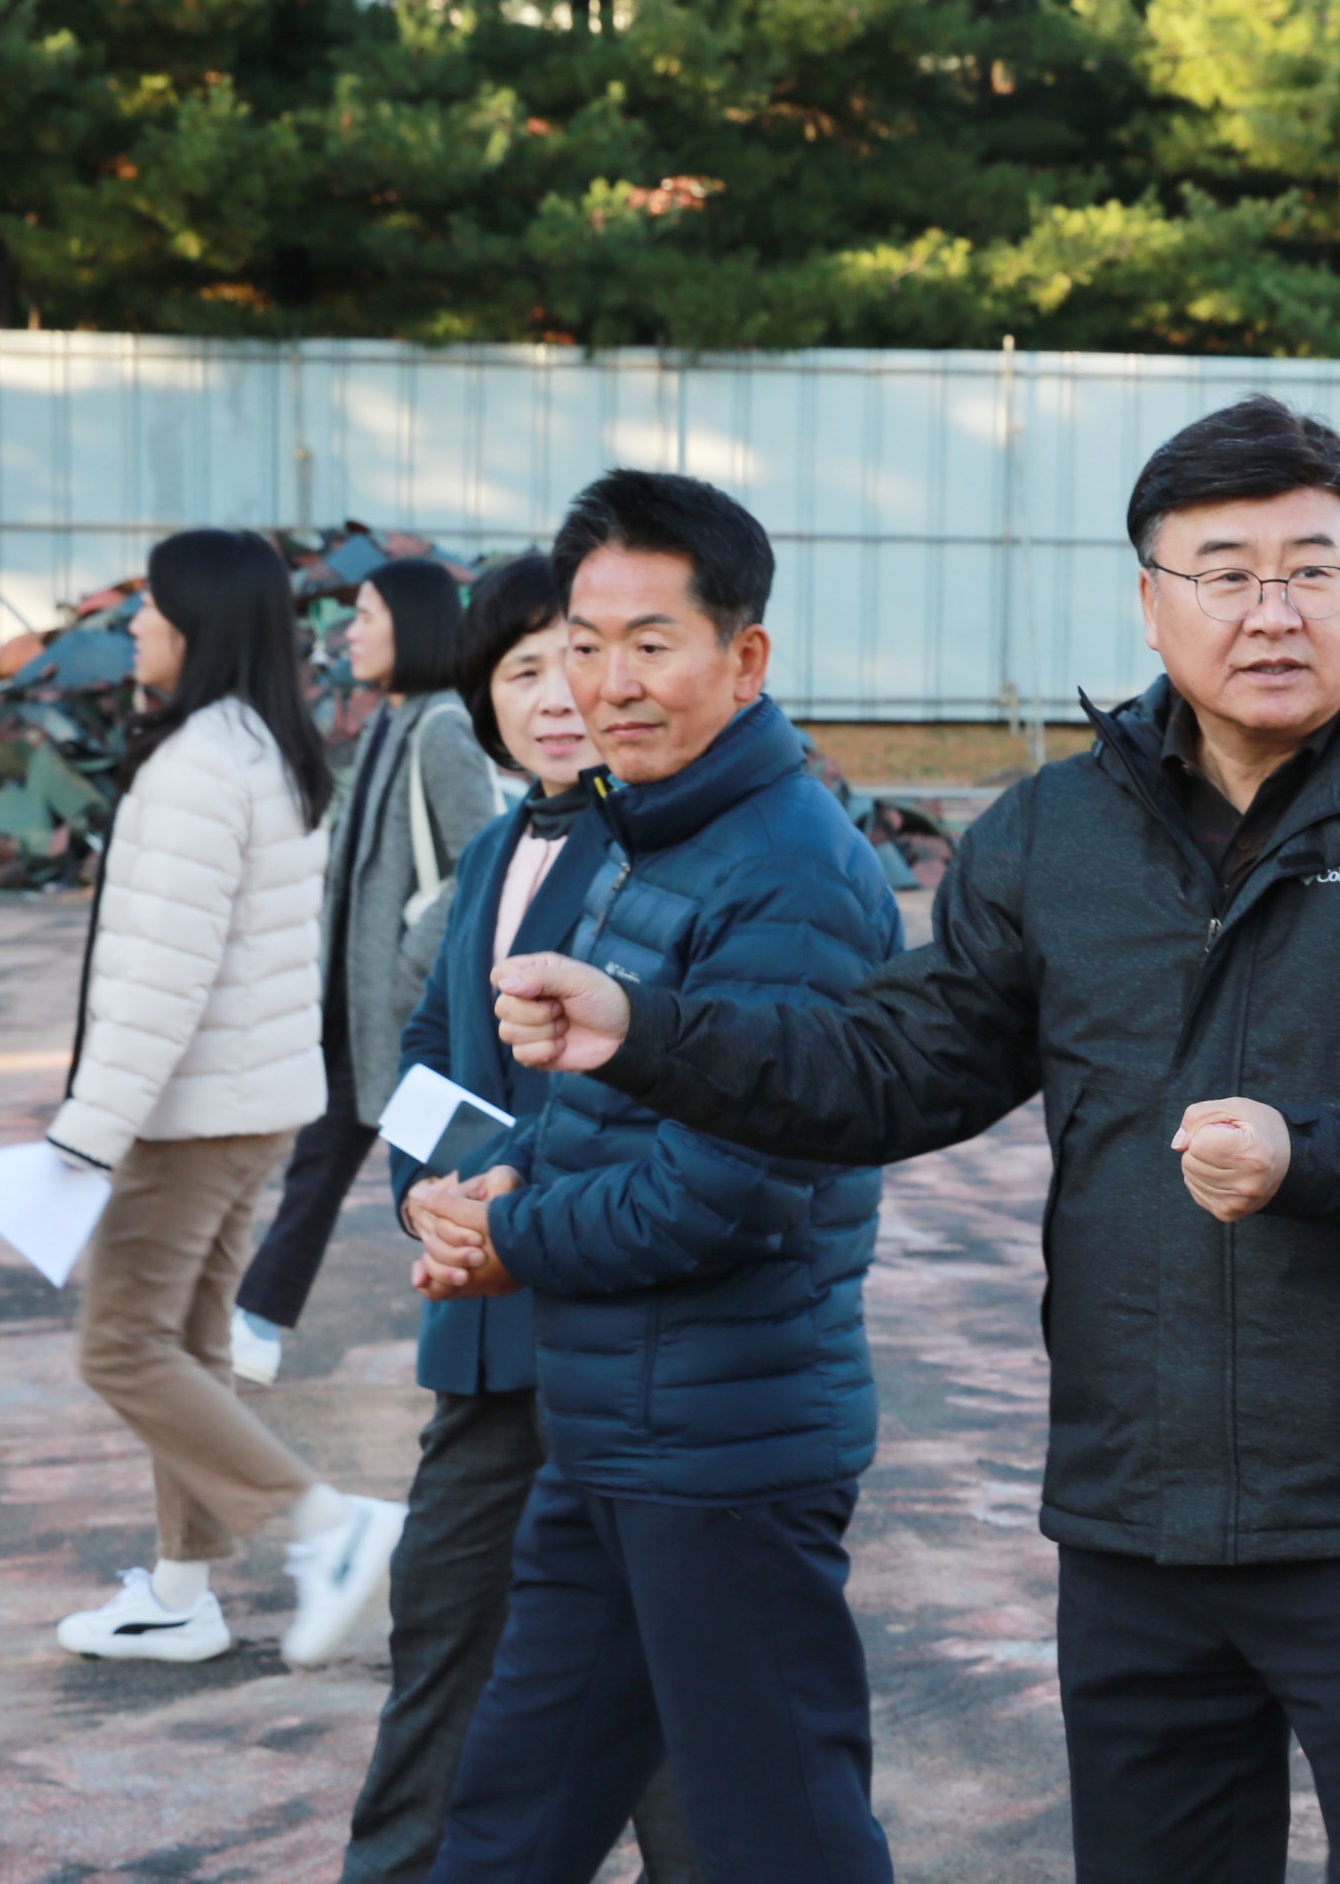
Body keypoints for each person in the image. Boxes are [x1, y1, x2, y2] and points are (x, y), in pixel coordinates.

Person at [490, 394, 1340, 1884]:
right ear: (1150, 603)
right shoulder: (1055, 833)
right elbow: (891, 1067)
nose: (1272, 610)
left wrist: (1316, 1148)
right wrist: (648, 1030)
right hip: (1133, 1505)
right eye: (1224, 571)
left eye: (1313, 568)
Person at [410, 470, 903, 1884]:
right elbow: (597, 1120)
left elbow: (726, 1189)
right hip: (612, 1430)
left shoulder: (790, 873)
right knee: (510, 1818)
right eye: (584, 638)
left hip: (728, 1452)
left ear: (743, 659)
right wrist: (491, 1189)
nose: (605, 680)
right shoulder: (642, 834)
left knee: (779, 1838)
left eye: (650, 642)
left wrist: (513, 1242)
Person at [338, 554, 695, 1884]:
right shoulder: (500, 844)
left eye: (577, 661)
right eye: (519, 670)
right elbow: (427, 1058)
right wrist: (430, 1198)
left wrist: (508, 1198)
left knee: (661, 1689)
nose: (555, 697)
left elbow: (673, 1087)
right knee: (443, 1640)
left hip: (618, 1327)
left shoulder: (666, 843)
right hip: (485, 1341)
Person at [48, 528, 407, 1667]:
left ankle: (326, 1529)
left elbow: (164, 979)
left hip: (190, 1111)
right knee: (192, 1346)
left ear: (196, 627)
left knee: (120, 1347)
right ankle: (180, 1590)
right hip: (250, 1102)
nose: (136, 628)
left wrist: (84, 1141)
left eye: (150, 610)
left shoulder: (203, 764)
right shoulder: (264, 746)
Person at [231, 556, 500, 1385]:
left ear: (412, 626)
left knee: (447, 1160)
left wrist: (407, 957)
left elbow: (477, 862)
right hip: (359, 1006)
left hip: (397, 1005)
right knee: (344, 1162)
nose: (351, 630)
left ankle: (257, 1324)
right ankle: (255, 1322)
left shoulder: (442, 728)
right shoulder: (393, 719)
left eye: (368, 614)